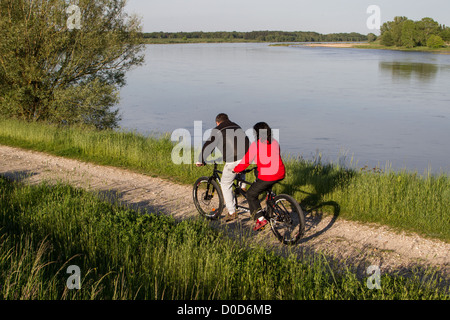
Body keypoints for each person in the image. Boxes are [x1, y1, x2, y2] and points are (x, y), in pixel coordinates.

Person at [196, 113, 250, 222]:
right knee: (240, 164)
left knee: (225, 184)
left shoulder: (217, 130)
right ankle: (242, 185)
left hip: (233, 160)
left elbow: (208, 145)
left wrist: (201, 159)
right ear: (227, 119)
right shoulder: (236, 126)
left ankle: (231, 212)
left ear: (217, 122)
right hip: (247, 157)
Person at [233, 122, 285, 231]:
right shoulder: (275, 142)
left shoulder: (256, 144)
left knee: (251, 194)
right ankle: (270, 199)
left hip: (268, 176)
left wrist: (236, 169)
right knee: (258, 173)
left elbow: (247, 160)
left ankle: (260, 219)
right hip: (280, 173)